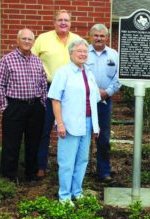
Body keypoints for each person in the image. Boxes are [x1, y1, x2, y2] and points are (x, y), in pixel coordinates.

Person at [48, 38, 100, 205]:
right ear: (71, 54)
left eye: (85, 51)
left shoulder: (89, 73)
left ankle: (77, 191)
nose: (83, 54)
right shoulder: (63, 73)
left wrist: (95, 125)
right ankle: (64, 196)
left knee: (82, 160)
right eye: (79, 51)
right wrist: (60, 123)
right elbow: (55, 100)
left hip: (87, 122)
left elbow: (94, 100)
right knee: (67, 161)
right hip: (69, 124)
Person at [32, 9, 80, 178]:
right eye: (60, 20)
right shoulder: (42, 39)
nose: (63, 23)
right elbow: (31, 61)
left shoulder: (77, 40)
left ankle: (68, 167)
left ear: (70, 23)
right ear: (54, 22)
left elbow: (85, 62)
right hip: (47, 89)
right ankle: (41, 166)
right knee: (44, 129)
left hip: (71, 91)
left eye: (66, 20)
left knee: (70, 128)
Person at [0, 28, 47, 182]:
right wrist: (6, 108)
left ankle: (31, 174)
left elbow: (43, 84)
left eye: (30, 39)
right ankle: (8, 177)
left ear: (33, 42)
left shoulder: (37, 61)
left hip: (35, 107)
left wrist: (42, 104)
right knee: (11, 144)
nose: (27, 42)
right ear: (18, 41)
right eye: (24, 39)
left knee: (33, 143)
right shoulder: (7, 59)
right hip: (14, 107)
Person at [86, 24, 121, 182]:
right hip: (84, 102)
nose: (99, 38)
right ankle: (82, 171)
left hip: (104, 102)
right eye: (96, 35)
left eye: (102, 36)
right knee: (83, 136)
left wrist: (107, 92)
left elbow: (119, 78)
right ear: (90, 36)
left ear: (106, 37)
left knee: (103, 138)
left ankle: (103, 172)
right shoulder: (83, 52)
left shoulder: (114, 55)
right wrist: (92, 92)